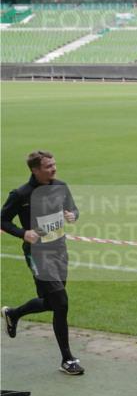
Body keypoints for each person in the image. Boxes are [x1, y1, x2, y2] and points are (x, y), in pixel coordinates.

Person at [1, 150, 84, 375]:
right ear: (35, 170)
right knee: (62, 302)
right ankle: (67, 359)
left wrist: (72, 216)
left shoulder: (61, 186)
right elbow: (3, 220)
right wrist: (23, 233)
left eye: (54, 164)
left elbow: (73, 209)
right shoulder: (20, 194)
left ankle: (14, 313)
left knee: (52, 302)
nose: (54, 169)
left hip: (59, 250)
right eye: (48, 166)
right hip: (37, 254)